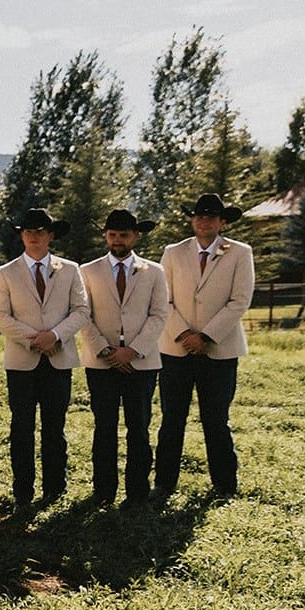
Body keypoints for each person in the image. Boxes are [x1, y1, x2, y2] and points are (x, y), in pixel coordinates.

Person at [154, 193, 255, 500]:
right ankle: (164, 484)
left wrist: (206, 337)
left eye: (211, 216)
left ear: (222, 222)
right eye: (198, 215)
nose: (203, 220)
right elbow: (162, 298)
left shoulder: (239, 253)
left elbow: (240, 301)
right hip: (175, 349)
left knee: (216, 420)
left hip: (219, 350)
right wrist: (184, 334)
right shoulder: (173, 252)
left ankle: (225, 487)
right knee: (172, 418)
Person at [0, 208, 89, 509]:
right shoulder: (5, 272)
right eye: (28, 231)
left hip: (58, 359)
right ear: (22, 235)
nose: (34, 237)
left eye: (40, 232)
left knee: (54, 428)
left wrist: (55, 335)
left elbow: (82, 311)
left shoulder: (70, 269)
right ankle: (23, 493)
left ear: (51, 236)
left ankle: (55, 490)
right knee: (21, 428)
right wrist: (35, 339)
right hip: (22, 361)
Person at [79, 209, 169, 508]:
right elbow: (83, 315)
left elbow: (159, 315)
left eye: (124, 235)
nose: (118, 241)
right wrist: (105, 350)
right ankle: (104, 491)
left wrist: (133, 350)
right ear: (105, 235)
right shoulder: (88, 271)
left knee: (139, 427)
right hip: (101, 362)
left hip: (141, 362)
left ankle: (137, 493)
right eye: (113, 235)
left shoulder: (154, 271)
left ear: (136, 236)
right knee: (104, 427)